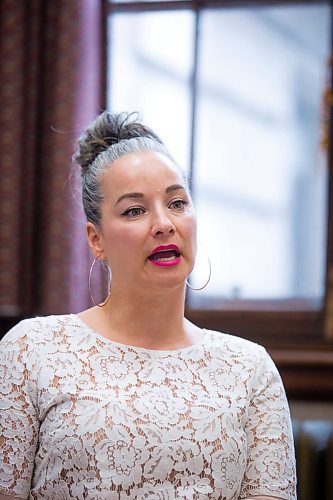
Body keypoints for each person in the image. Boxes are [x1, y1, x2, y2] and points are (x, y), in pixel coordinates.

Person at [0, 111, 296, 499]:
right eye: (134, 211)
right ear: (96, 239)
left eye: (177, 203)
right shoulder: (30, 350)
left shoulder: (250, 370)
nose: (163, 224)